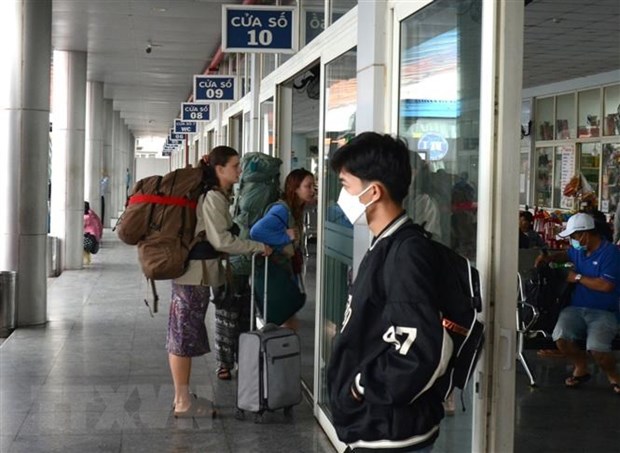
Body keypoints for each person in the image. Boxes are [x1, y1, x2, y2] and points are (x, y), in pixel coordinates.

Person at [327, 132, 448, 453]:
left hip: (391, 431)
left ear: (374, 191)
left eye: (345, 184)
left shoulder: (406, 252)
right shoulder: (386, 243)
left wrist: (360, 387)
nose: (343, 194)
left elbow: (418, 347)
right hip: (376, 426)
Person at [167, 146, 271, 417]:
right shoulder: (213, 196)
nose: (239, 170)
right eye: (235, 165)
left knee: (181, 334)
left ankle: (182, 397)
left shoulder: (215, 195)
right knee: (182, 337)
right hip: (194, 274)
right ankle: (183, 402)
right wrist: (256, 246)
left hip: (194, 273)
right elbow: (220, 240)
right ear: (219, 169)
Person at [535, 213, 620, 394]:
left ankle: (614, 375)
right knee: (560, 337)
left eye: (573, 237)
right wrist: (549, 258)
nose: (572, 241)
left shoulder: (610, 253)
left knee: (597, 348)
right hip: (576, 309)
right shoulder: (579, 251)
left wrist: (577, 278)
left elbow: (606, 285)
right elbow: (566, 254)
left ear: (586, 234)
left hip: (604, 312)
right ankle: (581, 367)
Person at [249, 168, 316, 331]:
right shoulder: (281, 210)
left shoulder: (295, 208)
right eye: (308, 186)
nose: (312, 190)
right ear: (295, 189)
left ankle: (286, 347)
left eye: (313, 186)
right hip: (276, 270)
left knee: (289, 314)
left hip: (284, 267)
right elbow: (256, 231)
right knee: (286, 315)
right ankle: (285, 348)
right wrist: (284, 237)